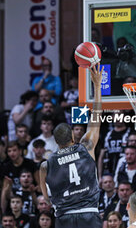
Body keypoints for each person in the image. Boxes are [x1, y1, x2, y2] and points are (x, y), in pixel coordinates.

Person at [40, 63, 104, 228]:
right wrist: (97, 85)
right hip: (89, 213)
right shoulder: (86, 147)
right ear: (73, 137)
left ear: (55, 141)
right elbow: (96, 115)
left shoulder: (47, 164)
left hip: (64, 217)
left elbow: (46, 198)